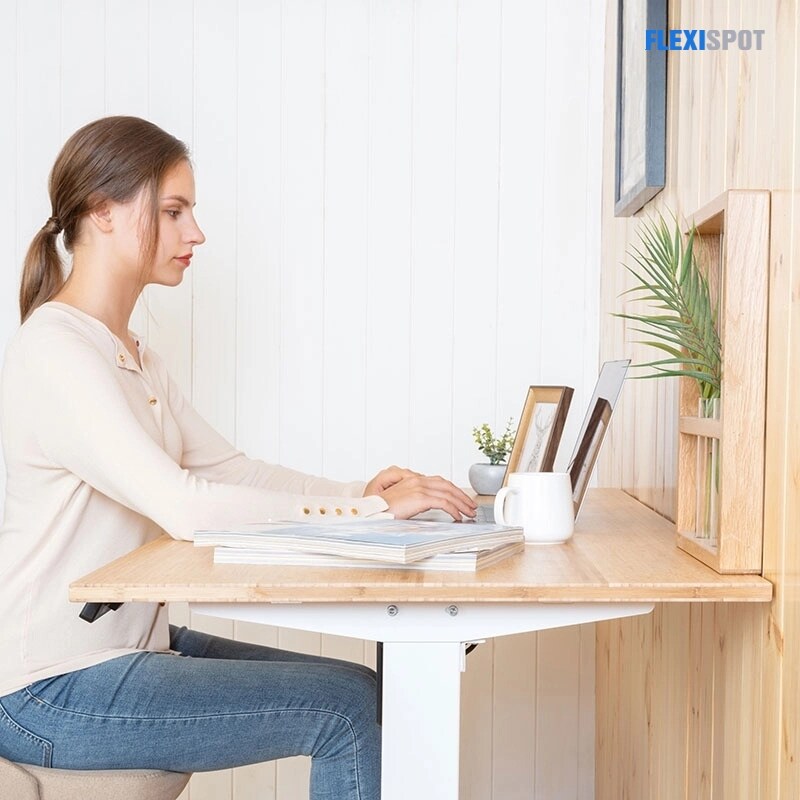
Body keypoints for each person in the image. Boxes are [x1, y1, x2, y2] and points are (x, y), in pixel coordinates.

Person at [0, 115, 476, 799]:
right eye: (173, 211)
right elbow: (186, 506)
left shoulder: (135, 357)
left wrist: (362, 490)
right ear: (102, 211)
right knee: (346, 710)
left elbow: (230, 472)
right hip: (50, 687)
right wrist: (368, 510)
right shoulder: (57, 352)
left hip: (125, 651)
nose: (195, 233)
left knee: (362, 694)